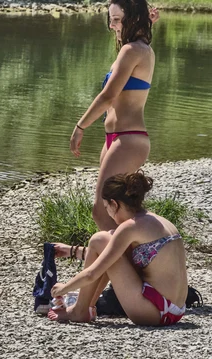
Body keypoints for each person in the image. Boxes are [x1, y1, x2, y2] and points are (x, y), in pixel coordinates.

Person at [47, 171, 188, 326]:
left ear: (114, 204)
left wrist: (62, 289)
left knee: (100, 238)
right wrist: (72, 251)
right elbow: (113, 258)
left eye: (107, 207)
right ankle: (86, 308)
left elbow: (92, 273)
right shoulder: (156, 221)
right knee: (107, 238)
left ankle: (79, 311)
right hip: (175, 310)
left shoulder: (129, 227)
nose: (108, 213)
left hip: (153, 312)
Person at [69, 0, 159, 231]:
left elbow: (108, 95)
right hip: (116, 139)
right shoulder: (136, 49)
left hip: (128, 139)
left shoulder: (133, 51)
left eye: (117, 20)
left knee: (102, 211)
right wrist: (144, 24)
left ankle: (122, 265)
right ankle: (128, 262)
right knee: (117, 213)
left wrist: (80, 127)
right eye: (110, 20)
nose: (112, 26)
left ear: (134, 18)